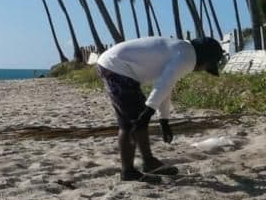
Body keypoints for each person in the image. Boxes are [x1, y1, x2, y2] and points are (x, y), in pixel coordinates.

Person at [96, 35, 225, 183]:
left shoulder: (182, 49)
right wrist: (147, 113)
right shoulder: (188, 58)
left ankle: (146, 163)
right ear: (205, 59)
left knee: (132, 122)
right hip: (117, 67)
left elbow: (165, 85)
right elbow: (164, 83)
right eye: (207, 67)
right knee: (132, 122)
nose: (203, 70)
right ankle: (132, 170)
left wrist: (164, 120)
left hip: (112, 64)